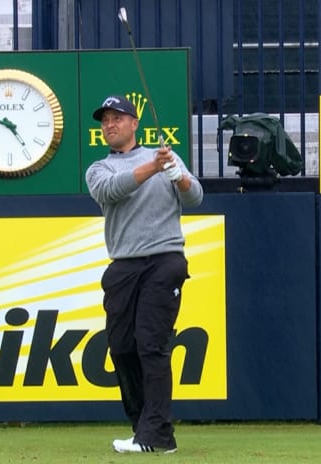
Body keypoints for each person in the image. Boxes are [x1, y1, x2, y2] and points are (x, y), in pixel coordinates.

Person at [85, 94, 203, 454]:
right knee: (122, 348)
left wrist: (176, 175)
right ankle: (143, 430)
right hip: (124, 265)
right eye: (105, 120)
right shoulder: (98, 168)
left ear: (134, 124)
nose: (110, 125)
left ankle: (156, 436)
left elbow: (195, 196)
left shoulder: (165, 156)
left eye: (117, 118)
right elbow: (111, 191)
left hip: (164, 260)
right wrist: (153, 167)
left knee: (151, 345)